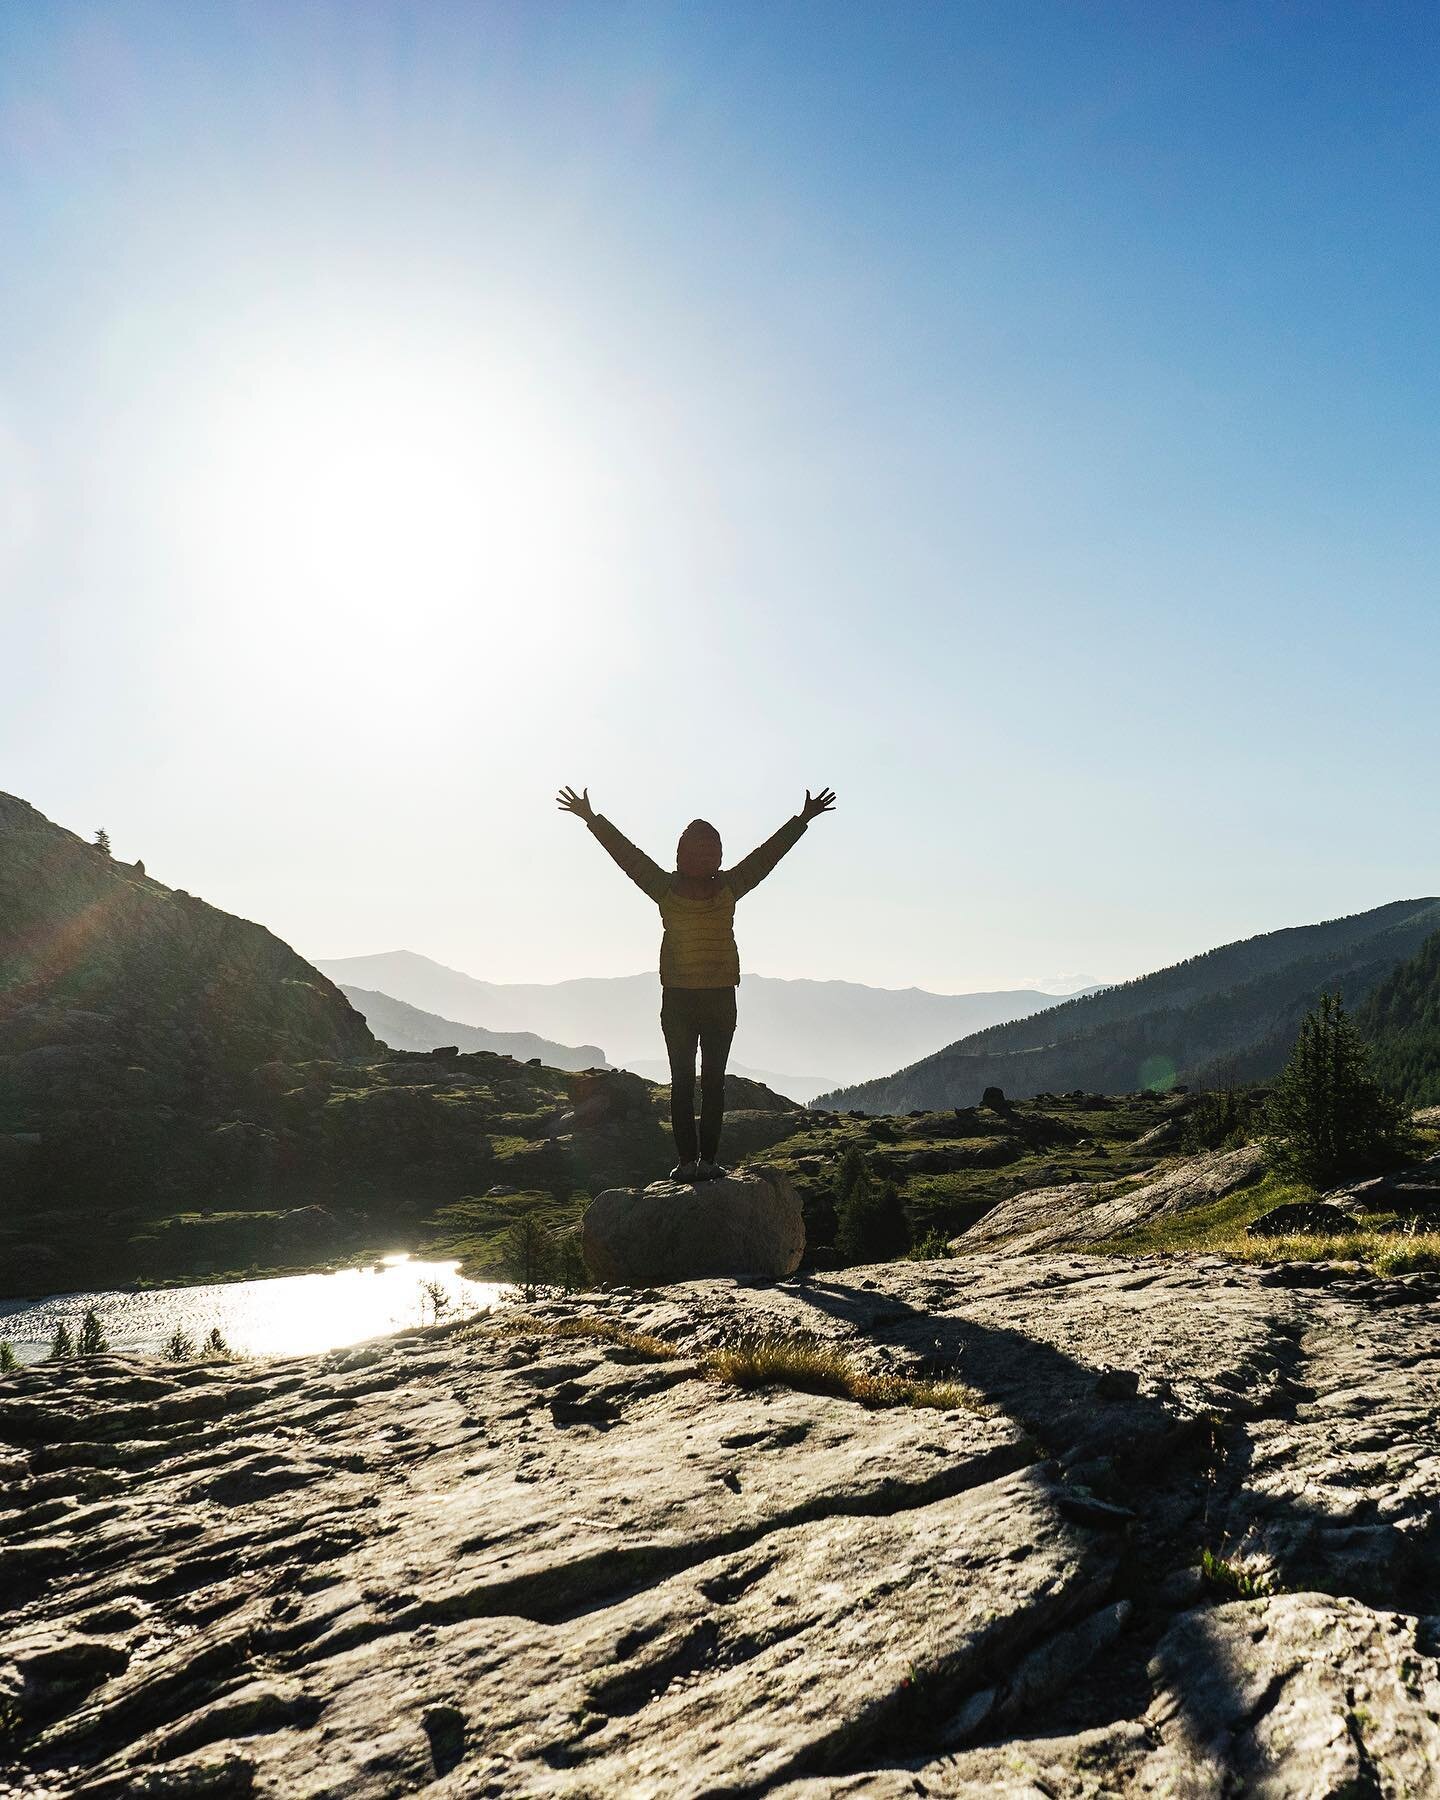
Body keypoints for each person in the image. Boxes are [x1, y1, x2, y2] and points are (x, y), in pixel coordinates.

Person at [556, 785, 837, 1181]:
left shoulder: (685, 888)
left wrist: (802, 820)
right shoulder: (714, 888)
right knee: (700, 1085)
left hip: (694, 999)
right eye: (703, 851)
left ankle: (696, 1162)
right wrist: (592, 819)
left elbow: (630, 858)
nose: (707, 858)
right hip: (705, 999)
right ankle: (699, 1162)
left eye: (710, 851)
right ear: (690, 855)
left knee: (693, 1085)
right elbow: (632, 857)